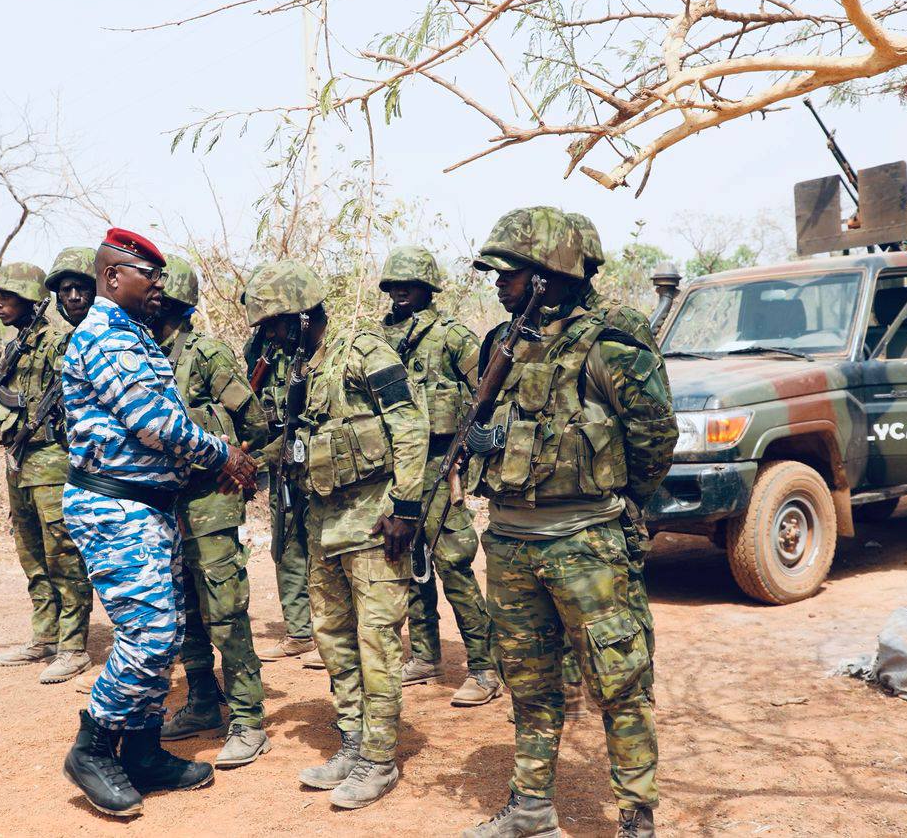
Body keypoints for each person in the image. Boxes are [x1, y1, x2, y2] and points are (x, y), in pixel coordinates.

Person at [461, 208, 676, 838]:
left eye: (511, 272)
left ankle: (637, 818)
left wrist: (619, 502)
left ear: (551, 273)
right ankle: (531, 807)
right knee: (528, 685)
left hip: (586, 543)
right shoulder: (501, 342)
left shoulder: (612, 340)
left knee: (620, 683)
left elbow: (655, 436)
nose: (498, 284)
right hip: (508, 540)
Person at [59, 228, 256, 818]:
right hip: (115, 504)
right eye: (151, 275)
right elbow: (154, 423)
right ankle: (93, 746)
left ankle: (142, 751)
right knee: (147, 637)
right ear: (114, 275)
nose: (160, 287)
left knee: (164, 633)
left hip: (147, 504)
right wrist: (226, 455)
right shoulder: (106, 337)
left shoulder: (132, 335)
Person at [245, 259, 428, 809]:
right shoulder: (299, 371)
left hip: (374, 519)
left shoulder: (364, 352)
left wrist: (408, 506)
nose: (271, 337)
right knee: (332, 635)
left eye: (277, 325)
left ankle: (379, 757)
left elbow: (411, 426)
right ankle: (353, 739)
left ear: (303, 318)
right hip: (322, 521)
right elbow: (298, 440)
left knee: (376, 641)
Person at [148, 255, 271, 767]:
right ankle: (202, 701)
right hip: (162, 501)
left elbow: (256, 421)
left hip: (208, 502)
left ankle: (248, 717)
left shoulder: (207, 354)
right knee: (185, 612)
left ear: (175, 300)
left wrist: (238, 461)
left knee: (224, 609)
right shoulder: (142, 352)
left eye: (157, 294)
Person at [377, 245, 500, 707]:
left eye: (409, 284)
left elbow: (488, 390)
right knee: (406, 560)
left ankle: (485, 667)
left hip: (439, 464)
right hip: (396, 468)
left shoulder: (451, 337)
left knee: (452, 564)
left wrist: (466, 448)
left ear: (428, 287)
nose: (400, 292)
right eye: (394, 284)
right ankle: (426, 654)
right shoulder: (379, 339)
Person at [0, 262, 93, 685]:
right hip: (19, 460)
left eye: (5, 297)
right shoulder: (16, 347)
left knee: (62, 554)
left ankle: (73, 645)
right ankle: (44, 635)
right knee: (30, 554)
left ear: (30, 300)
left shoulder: (58, 342)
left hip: (52, 461)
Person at [245, 309, 317, 666]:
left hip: (317, 464)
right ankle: (300, 633)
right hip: (281, 464)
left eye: (272, 325)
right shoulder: (265, 355)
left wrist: (256, 461)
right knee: (286, 543)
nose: (268, 333)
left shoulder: (318, 352)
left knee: (322, 547)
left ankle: (332, 632)